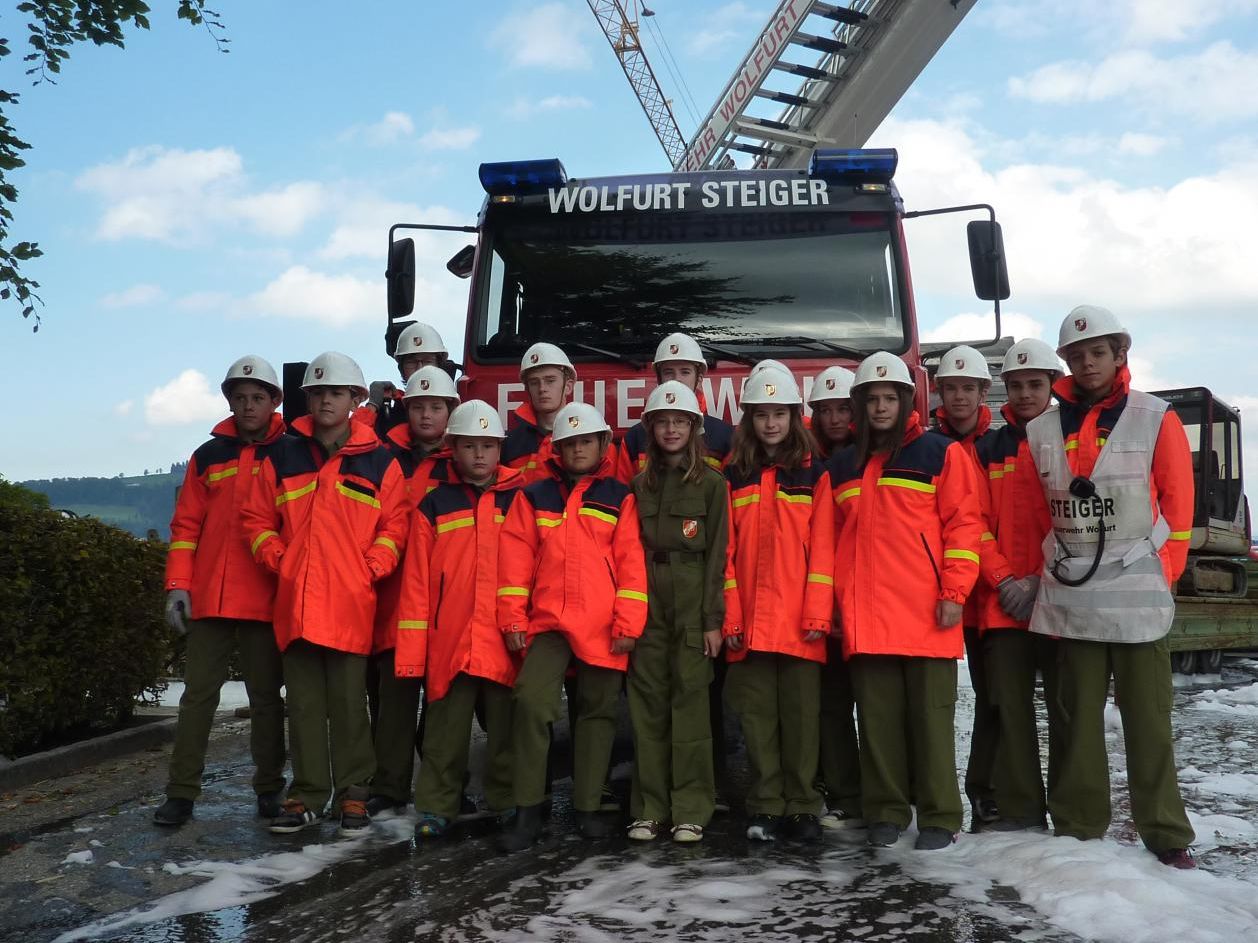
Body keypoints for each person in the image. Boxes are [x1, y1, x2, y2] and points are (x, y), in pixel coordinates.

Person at [1026, 305, 1197, 869]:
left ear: (1119, 354)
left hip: (1137, 592)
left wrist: (1165, 573)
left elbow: (1179, 505)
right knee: (1076, 718)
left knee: (1149, 720)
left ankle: (1165, 832)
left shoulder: (1155, 417)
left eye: (1097, 352)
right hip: (1073, 593)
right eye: (1076, 355)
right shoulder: (1041, 430)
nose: (1087, 363)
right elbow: (1040, 511)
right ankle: (1078, 826)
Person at [242, 351, 410, 836]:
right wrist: (280, 561)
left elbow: (395, 526)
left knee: (350, 706)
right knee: (305, 708)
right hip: (296, 604)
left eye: (335, 393)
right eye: (317, 393)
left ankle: (354, 795)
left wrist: (369, 568)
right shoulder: (283, 456)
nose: (325, 401)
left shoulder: (380, 461)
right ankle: (308, 795)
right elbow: (255, 519)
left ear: (355, 399)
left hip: (349, 604)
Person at [829, 350, 983, 851]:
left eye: (889, 398)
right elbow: (830, 542)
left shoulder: (940, 453)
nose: (880, 407)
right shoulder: (842, 464)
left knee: (931, 722)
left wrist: (954, 592)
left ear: (906, 402)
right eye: (872, 399)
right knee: (877, 723)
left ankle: (940, 815)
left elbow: (964, 528)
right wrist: (834, 604)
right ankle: (886, 811)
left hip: (926, 613)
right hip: (866, 616)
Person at [497, 402, 648, 852]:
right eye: (570, 443)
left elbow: (631, 567)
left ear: (602, 445)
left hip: (603, 623)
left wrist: (628, 623)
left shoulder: (620, 497)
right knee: (530, 703)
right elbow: (515, 562)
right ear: (556, 449)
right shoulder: (533, 496)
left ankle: (588, 808)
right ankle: (528, 810)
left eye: (586, 441)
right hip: (547, 622)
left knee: (598, 713)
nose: (578, 449)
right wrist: (513, 617)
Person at [154, 356, 288, 826]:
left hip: (265, 597)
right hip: (210, 597)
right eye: (239, 397)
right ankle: (181, 794)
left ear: (275, 401)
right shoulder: (207, 456)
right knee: (197, 699)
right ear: (229, 401)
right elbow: (186, 526)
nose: (248, 405)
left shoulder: (292, 454)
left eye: (257, 397)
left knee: (266, 699)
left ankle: (270, 788)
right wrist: (178, 585)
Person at [613, 332, 736, 810]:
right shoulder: (636, 486)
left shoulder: (713, 485)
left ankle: (691, 806)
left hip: (691, 601)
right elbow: (625, 552)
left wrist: (712, 620)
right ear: (650, 428)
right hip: (646, 601)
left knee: (691, 704)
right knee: (646, 704)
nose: (670, 430)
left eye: (679, 422)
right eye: (662, 422)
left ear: (694, 426)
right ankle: (648, 807)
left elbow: (717, 557)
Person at [394, 400, 524, 838]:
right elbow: (416, 585)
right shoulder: (434, 505)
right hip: (450, 641)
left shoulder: (521, 499)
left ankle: (508, 802)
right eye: (470, 446)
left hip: (504, 639)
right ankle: (435, 806)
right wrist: (414, 655)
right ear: (453, 448)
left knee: (506, 731)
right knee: (444, 733)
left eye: (488, 445)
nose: (479, 455)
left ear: (500, 448)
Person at [722, 367, 834, 843]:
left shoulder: (815, 474)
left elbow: (824, 550)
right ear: (749, 419)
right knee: (757, 718)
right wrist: (731, 617)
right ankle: (766, 803)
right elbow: (725, 555)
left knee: (802, 718)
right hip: (749, 620)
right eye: (762, 415)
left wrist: (818, 613)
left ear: (794, 417)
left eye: (780, 414)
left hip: (799, 620)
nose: (771, 424)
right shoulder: (732, 475)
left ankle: (803, 805)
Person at [973, 338, 1065, 832]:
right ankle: (1021, 809)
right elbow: (971, 523)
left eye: (1034, 384)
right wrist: (1004, 579)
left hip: (1062, 596)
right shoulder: (987, 449)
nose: (1025, 393)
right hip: (1003, 602)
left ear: (1052, 385)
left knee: (1066, 710)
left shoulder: (1069, 440)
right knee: (1010, 710)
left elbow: (1077, 523)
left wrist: (1039, 579)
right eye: (1016, 385)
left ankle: (1070, 810)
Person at [365, 365, 458, 818]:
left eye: (435, 407)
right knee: (394, 703)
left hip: (442, 601)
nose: (425, 415)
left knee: (442, 705)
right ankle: (390, 787)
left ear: (450, 411)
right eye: (418, 406)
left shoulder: (462, 461)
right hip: (392, 597)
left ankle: (445, 788)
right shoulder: (383, 458)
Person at [932, 344, 1000, 828]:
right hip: (945, 595)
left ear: (983, 392)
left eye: (968, 388)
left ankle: (986, 791)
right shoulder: (926, 448)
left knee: (995, 698)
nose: (959, 397)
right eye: (951, 388)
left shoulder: (999, 446)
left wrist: (1002, 579)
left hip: (991, 598)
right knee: (933, 703)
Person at [806, 365, 864, 830]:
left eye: (843, 408)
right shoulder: (803, 463)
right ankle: (842, 791)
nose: (834, 419)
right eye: (824, 411)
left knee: (878, 704)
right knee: (830, 703)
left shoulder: (874, 457)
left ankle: (890, 793)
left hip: (869, 597)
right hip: (820, 599)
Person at [614, 332, 733, 480]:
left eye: (685, 372)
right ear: (659, 379)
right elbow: (625, 492)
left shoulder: (725, 437)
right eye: (668, 372)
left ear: (699, 378)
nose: (677, 379)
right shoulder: (635, 439)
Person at [502, 342, 577, 485]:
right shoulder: (509, 444)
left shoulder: (585, 436)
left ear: (568, 386)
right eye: (534, 382)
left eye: (550, 381)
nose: (542, 389)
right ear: (527, 389)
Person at [358, 321, 450, 437]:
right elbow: (353, 441)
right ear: (401, 368)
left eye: (427, 361)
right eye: (412, 362)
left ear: (439, 365)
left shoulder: (456, 410)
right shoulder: (387, 414)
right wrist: (372, 406)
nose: (420, 368)